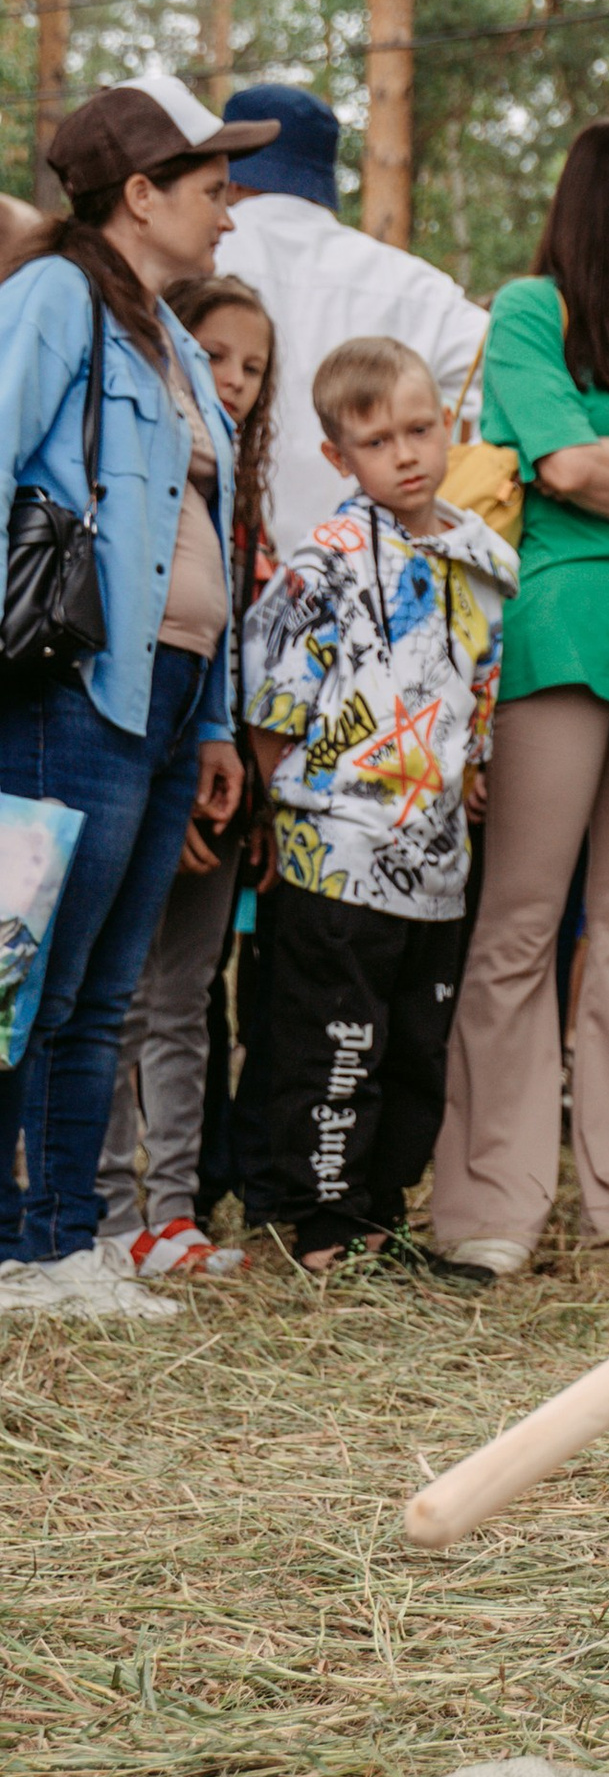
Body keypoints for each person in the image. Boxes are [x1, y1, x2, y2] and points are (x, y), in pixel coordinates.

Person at [0, 82, 268, 1319]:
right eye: (210, 183)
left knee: (103, 984)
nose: (230, 205)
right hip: (71, 690)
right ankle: (27, 1247)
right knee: (33, 973)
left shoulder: (166, 337)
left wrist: (213, 722)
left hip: (166, 698)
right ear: (141, 193)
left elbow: (199, 529)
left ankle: (68, 1244)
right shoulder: (55, 299)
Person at [431, 120, 609, 1272]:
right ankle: (491, 1203)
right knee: (522, 924)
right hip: (558, 640)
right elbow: (561, 469)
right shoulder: (530, 312)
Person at [243, 338, 515, 1280]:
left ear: (450, 427)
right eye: (375, 440)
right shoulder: (326, 564)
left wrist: (473, 769)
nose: (404, 454)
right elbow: (275, 706)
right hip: (337, 849)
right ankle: (318, 1224)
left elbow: (480, 687)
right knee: (334, 1041)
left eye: (419, 429)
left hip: (435, 860)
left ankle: (381, 1215)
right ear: (338, 457)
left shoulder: (484, 563)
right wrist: (281, 816)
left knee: (411, 1046)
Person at [98, 269, 276, 1277]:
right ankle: (105, 1212)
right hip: (148, 765)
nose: (237, 382)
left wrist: (241, 795)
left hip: (220, 782)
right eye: (217, 358)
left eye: (256, 367)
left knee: (186, 1004)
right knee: (115, 1001)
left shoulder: (249, 520)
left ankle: (175, 1216)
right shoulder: (150, 505)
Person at [217, 84, 483, 552]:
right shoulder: (416, 286)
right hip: (377, 578)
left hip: (221, 567)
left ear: (229, 174)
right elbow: (501, 387)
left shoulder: (196, 264)